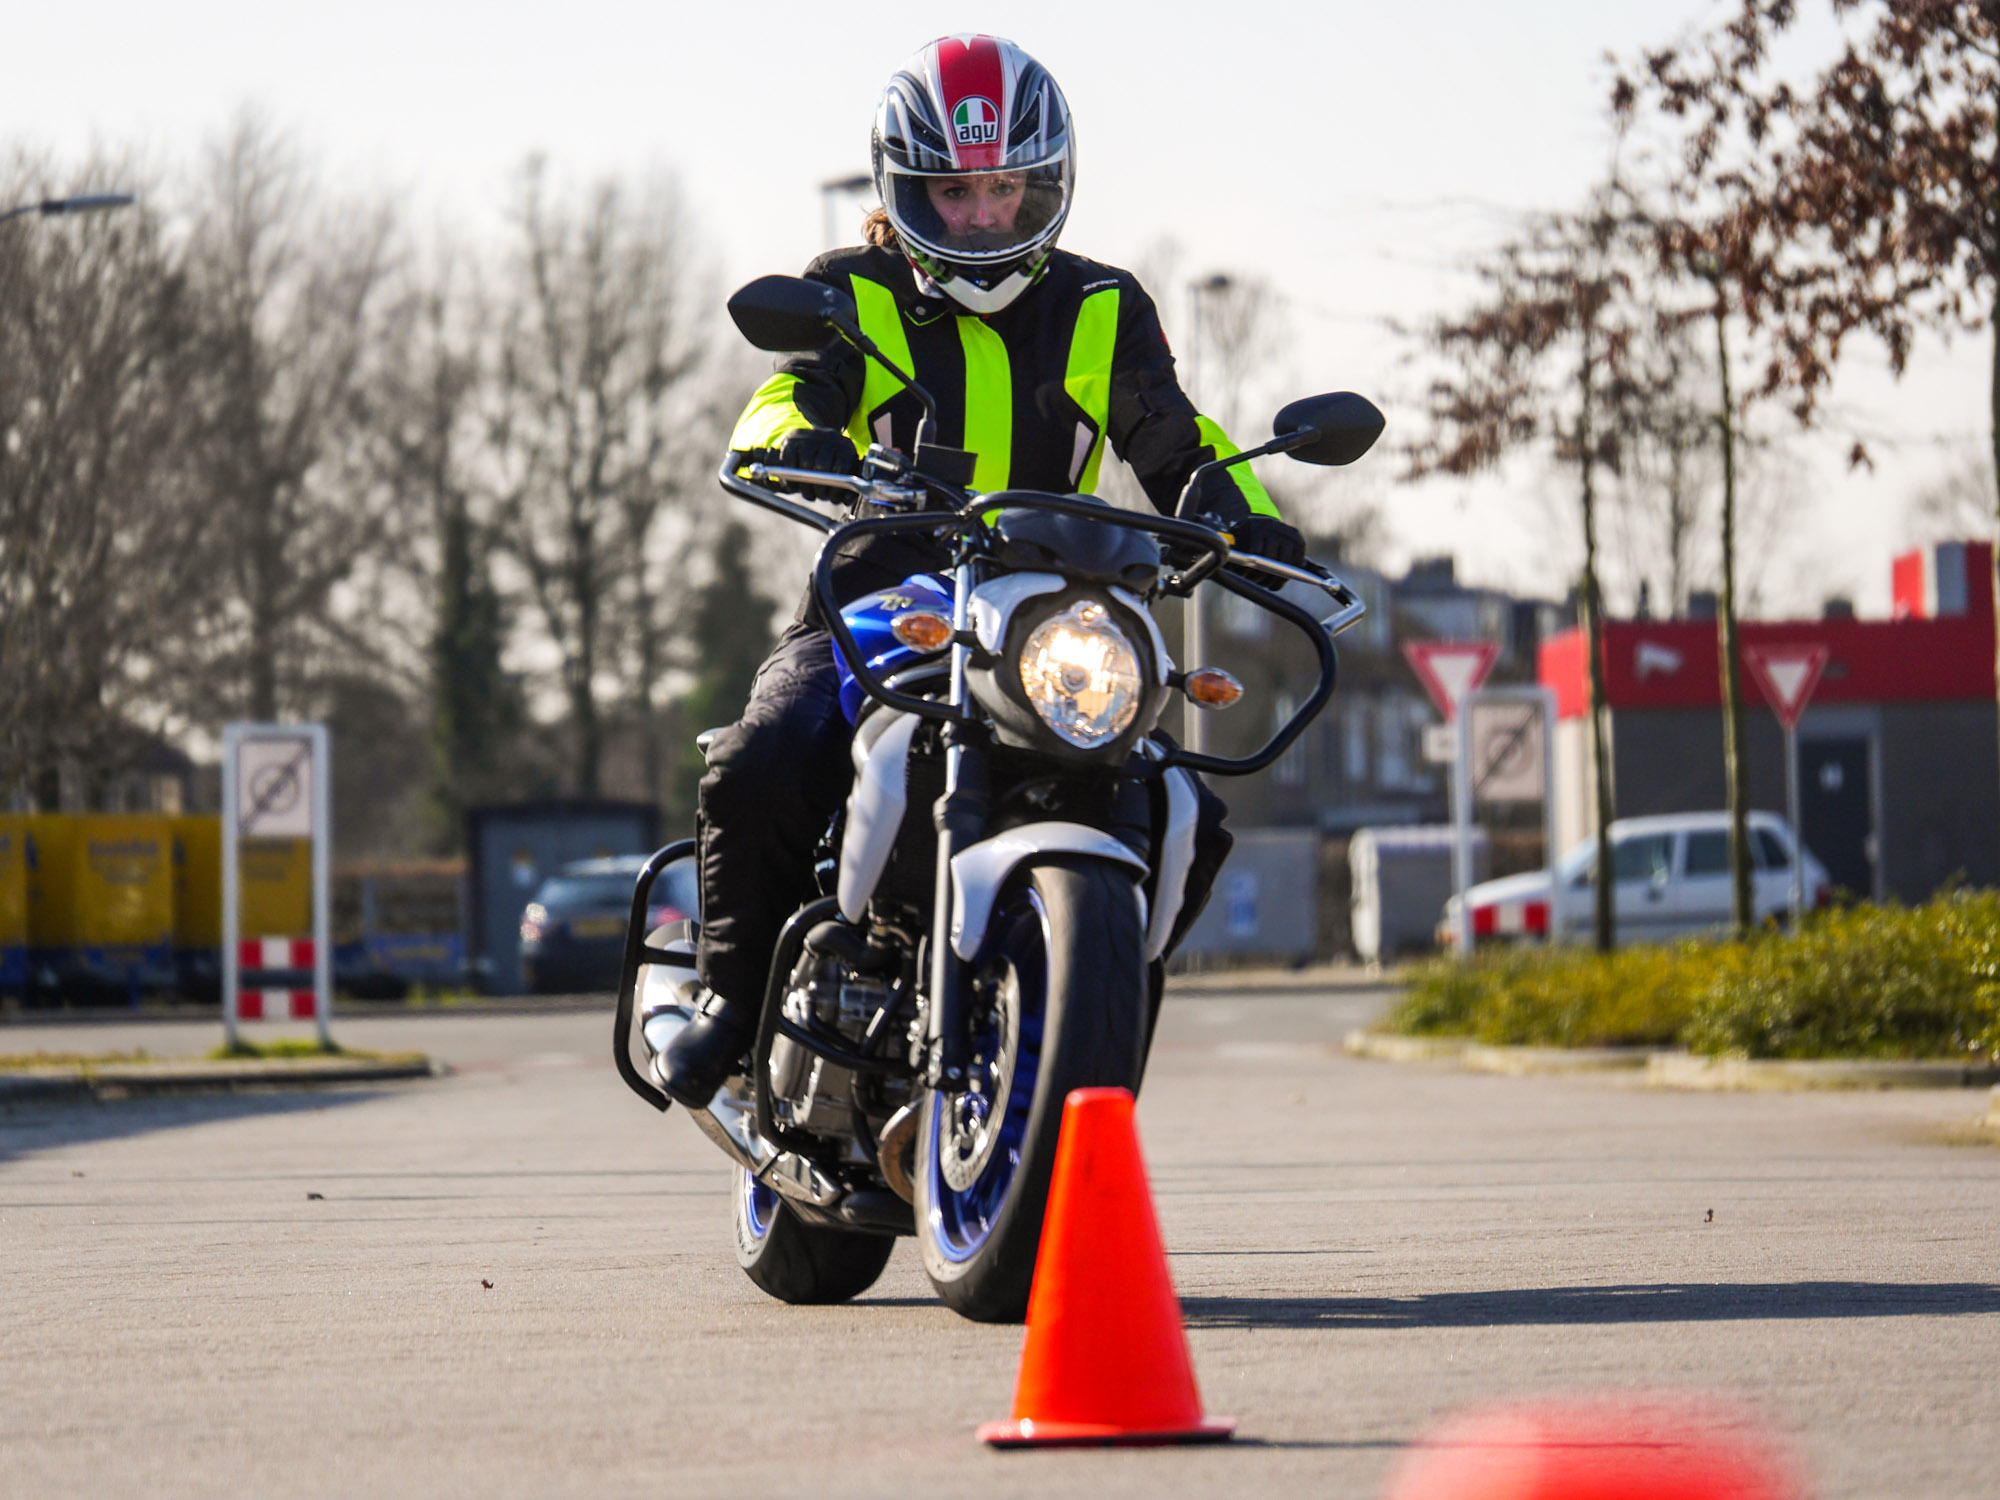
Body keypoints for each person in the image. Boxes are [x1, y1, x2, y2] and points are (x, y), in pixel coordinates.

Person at [660, 32, 1306, 1108]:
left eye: (1005, 186)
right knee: (761, 757)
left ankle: (1080, 1015)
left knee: (1186, 808)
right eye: (953, 190)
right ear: (904, 190)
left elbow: (1178, 444)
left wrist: (1250, 522)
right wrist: (793, 439)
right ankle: (731, 1005)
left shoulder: (1102, 307)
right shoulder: (853, 290)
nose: (980, 215)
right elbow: (795, 392)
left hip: (1054, 607)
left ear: (1044, 184)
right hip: (880, 602)